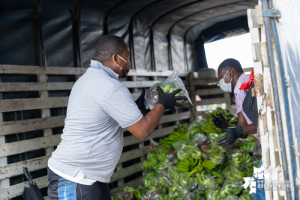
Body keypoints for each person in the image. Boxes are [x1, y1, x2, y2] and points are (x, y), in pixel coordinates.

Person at [47, 35, 187, 200]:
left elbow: (102, 119)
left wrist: (137, 109)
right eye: (126, 57)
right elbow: (143, 131)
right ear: (115, 58)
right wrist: (162, 104)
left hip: (90, 178)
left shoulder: (89, 79)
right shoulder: (109, 86)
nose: (128, 63)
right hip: (74, 178)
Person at [213, 58, 265, 200]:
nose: (220, 83)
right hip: (266, 145)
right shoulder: (238, 92)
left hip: (273, 141)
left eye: (220, 78)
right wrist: (227, 127)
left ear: (229, 73)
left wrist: (238, 131)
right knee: (258, 188)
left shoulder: (248, 85)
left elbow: (263, 121)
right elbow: (243, 128)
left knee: (260, 189)